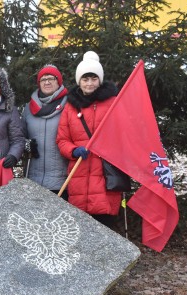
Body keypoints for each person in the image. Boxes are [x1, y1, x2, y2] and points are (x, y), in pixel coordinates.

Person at [56, 51, 121, 228]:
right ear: (79, 81)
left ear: (99, 80)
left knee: (105, 228)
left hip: (105, 177)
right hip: (79, 175)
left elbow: (122, 136)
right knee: (79, 229)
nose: (89, 83)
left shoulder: (113, 103)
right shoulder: (70, 106)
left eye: (93, 78)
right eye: (85, 79)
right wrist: (73, 150)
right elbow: (62, 139)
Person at [21, 64, 69, 198]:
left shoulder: (69, 105)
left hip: (61, 182)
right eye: (43, 79)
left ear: (58, 81)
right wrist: (26, 144)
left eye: (51, 78)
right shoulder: (28, 108)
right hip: (33, 180)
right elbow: (19, 136)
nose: (47, 82)